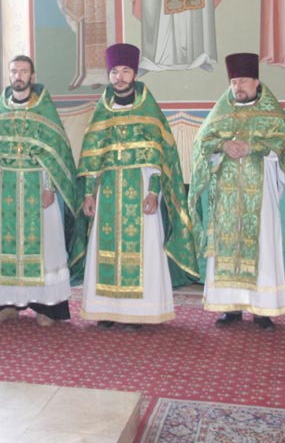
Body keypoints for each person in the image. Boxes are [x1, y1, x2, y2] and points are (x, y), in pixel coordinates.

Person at [189, 53, 285, 331]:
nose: (238, 86)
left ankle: (263, 310)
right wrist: (222, 146)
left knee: (263, 245)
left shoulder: (272, 113)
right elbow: (201, 144)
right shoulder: (220, 112)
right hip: (225, 200)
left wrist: (254, 146)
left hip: (262, 196)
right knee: (226, 248)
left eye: (243, 81)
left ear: (256, 82)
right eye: (234, 82)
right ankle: (229, 308)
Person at [77, 43, 198, 330]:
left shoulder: (148, 109)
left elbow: (159, 158)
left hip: (140, 187)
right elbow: (92, 157)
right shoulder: (101, 111)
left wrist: (154, 192)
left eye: (125, 71)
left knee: (143, 249)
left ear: (135, 74)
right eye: (114, 72)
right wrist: (88, 194)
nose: (119, 77)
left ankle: (139, 311)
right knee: (104, 249)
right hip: (107, 190)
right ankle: (106, 309)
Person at [0, 56, 82, 327]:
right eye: (14, 71)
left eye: (24, 71)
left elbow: (53, 154)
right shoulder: (0, 111)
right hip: (6, 188)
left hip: (38, 188)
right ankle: (8, 305)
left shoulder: (44, 110)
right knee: (4, 250)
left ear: (33, 75)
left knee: (46, 248)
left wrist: (49, 187)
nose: (18, 76)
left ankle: (46, 307)